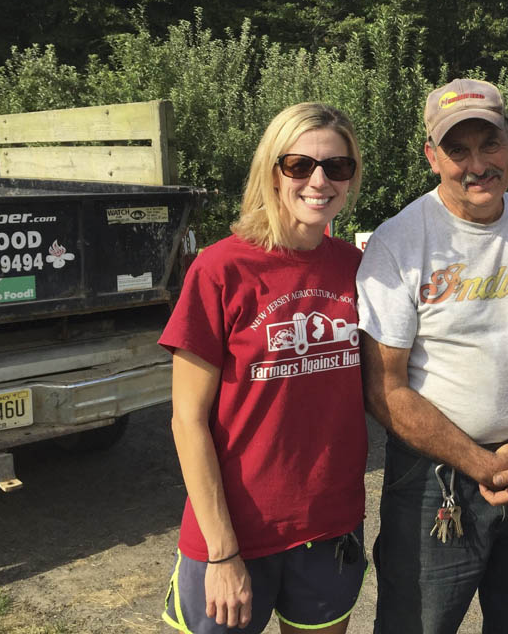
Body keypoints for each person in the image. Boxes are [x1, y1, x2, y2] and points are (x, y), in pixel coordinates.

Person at [356, 78, 508, 634]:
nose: (476, 164)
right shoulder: (400, 242)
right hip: (436, 479)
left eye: (490, 144)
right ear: (432, 156)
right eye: (457, 149)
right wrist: (484, 466)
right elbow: (384, 389)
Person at [160, 103, 368, 634]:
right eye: (299, 165)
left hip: (329, 526)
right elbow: (187, 421)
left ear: (351, 177)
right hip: (235, 535)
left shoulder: (357, 268)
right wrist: (223, 554)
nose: (319, 180)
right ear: (272, 173)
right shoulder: (221, 269)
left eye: (337, 167)